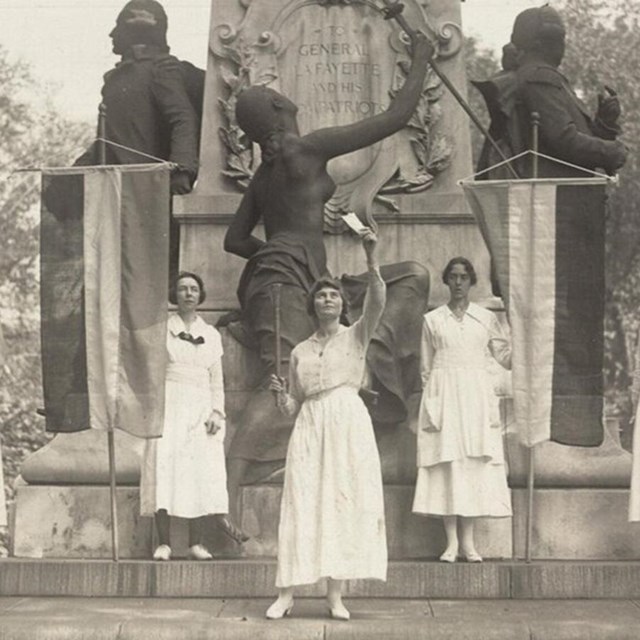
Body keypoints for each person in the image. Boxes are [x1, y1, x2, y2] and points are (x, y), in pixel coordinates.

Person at [223, 30, 433, 535]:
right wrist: (422, 56)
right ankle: (225, 502)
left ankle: (370, 383)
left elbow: (234, 240)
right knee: (280, 384)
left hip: (302, 277)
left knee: (411, 277)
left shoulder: (267, 172)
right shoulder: (310, 147)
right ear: (278, 107)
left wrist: (278, 254)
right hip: (283, 284)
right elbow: (396, 118)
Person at [265, 229, 386, 620]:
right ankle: (286, 593)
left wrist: (371, 258)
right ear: (312, 304)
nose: (328, 298)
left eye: (334, 294)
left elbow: (378, 301)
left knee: (340, 503)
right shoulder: (300, 351)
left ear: (342, 303)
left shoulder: (356, 337)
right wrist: (281, 395)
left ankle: (335, 595)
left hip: (347, 422)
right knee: (301, 502)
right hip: (310, 425)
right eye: (321, 294)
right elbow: (292, 407)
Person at [75, 0, 204, 276]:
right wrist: (72, 175)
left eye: (118, 26)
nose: (112, 34)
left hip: (151, 191)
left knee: (151, 273)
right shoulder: (114, 79)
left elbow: (182, 117)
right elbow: (106, 140)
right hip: (117, 191)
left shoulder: (161, 69)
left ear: (137, 32)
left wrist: (181, 171)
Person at [412, 258, 512, 563]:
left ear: (471, 281)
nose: (458, 282)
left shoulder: (485, 319)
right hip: (444, 397)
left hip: (476, 399)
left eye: (464, 277)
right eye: (453, 277)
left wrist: (524, 338)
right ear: (446, 281)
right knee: (448, 466)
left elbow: (504, 357)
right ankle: (451, 543)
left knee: (472, 466)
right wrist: (435, 402)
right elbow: (426, 368)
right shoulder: (433, 320)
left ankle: (469, 544)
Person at [140, 272, 239, 560]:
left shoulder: (210, 335)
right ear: (175, 294)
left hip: (200, 406)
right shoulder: (162, 331)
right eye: (182, 289)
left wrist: (216, 412)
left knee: (199, 471)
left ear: (200, 295)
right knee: (164, 467)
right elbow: (152, 375)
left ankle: (196, 542)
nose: (188, 294)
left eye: (193, 289)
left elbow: (217, 380)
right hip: (169, 405)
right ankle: (164, 542)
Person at [510, 5, 626, 178]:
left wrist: (604, 125)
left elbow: (560, 139)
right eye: (557, 38)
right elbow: (565, 142)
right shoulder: (538, 77)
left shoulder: (539, 76)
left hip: (559, 195)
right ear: (539, 44)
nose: (562, 44)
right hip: (555, 198)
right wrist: (615, 152)